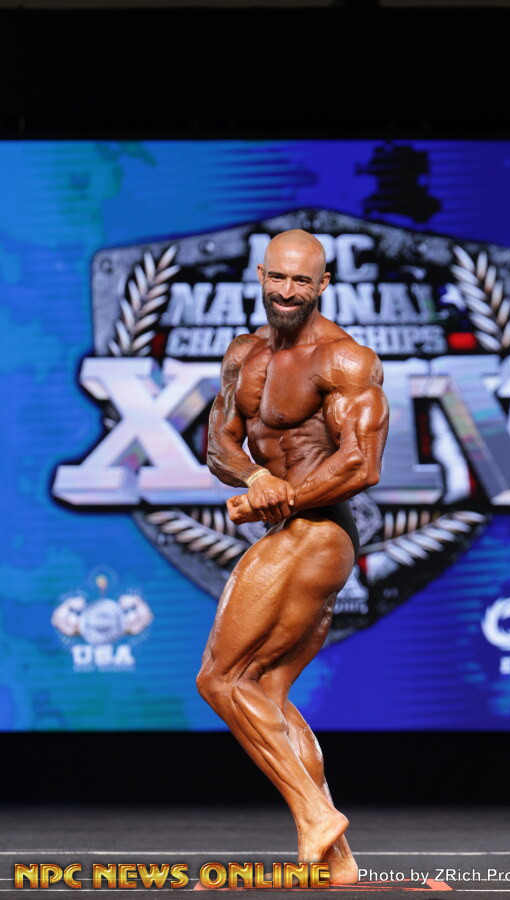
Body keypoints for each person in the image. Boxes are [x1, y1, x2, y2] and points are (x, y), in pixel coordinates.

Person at [195, 229, 389, 885]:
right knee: (268, 691)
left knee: (222, 680)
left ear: (323, 285)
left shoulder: (345, 361)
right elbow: (219, 445)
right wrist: (256, 479)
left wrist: (281, 500)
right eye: (278, 277)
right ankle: (337, 861)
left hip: (321, 531)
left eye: (301, 281)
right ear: (260, 275)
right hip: (289, 526)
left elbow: (361, 463)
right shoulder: (243, 355)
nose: (286, 291)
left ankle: (315, 813)